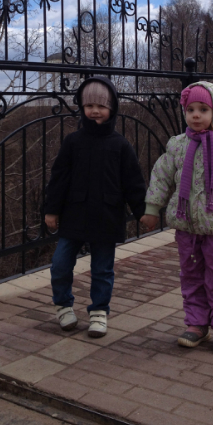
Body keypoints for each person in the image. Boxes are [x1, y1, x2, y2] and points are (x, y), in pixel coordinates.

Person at [141, 81, 213, 354]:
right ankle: (197, 323)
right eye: (190, 109)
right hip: (187, 228)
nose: (196, 115)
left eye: (203, 109)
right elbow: (161, 177)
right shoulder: (177, 146)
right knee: (191, 277)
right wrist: (152, 208)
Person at [44, 76, 146, 338]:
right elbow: (59, 178)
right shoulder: (73, 142)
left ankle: (99, 311)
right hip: (74, 215)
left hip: (106, 216)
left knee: (102, 269)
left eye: (101, 106)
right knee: (60, 265)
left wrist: (144, 213)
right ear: (82, 107)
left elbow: (133, 183)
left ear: (112, 108)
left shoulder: (120, 145)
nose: (95, 111)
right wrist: (52, 209)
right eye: (89, 105)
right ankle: (63, 305)